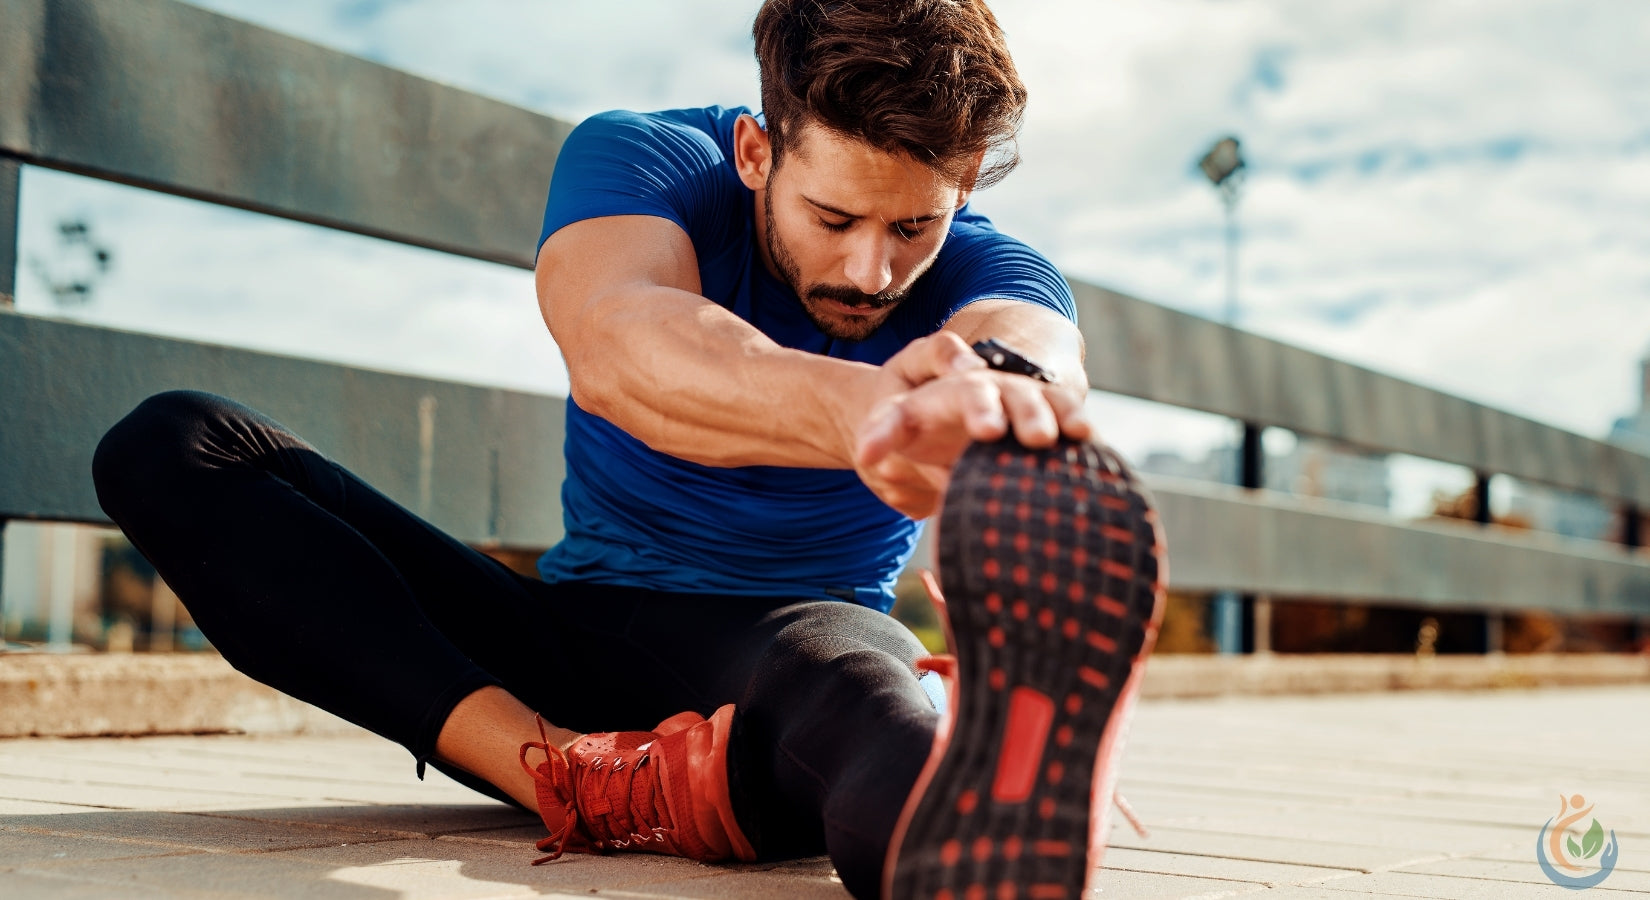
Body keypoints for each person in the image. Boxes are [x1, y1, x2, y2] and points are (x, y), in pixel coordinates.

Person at [91, 1, 1165, 898]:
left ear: (966, 182)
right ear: (757, 148)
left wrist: (1002, 407)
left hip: (794, 646)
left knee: (894, 746)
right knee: (178, 446)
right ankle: (565, 773)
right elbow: (623, 342)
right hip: (566, 633)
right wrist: (870, 409)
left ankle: (997, 786)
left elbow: (1033, 355)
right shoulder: (647, 159)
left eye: (913, 231)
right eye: (833, 216)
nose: (873, 272)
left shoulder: (1002, 270)